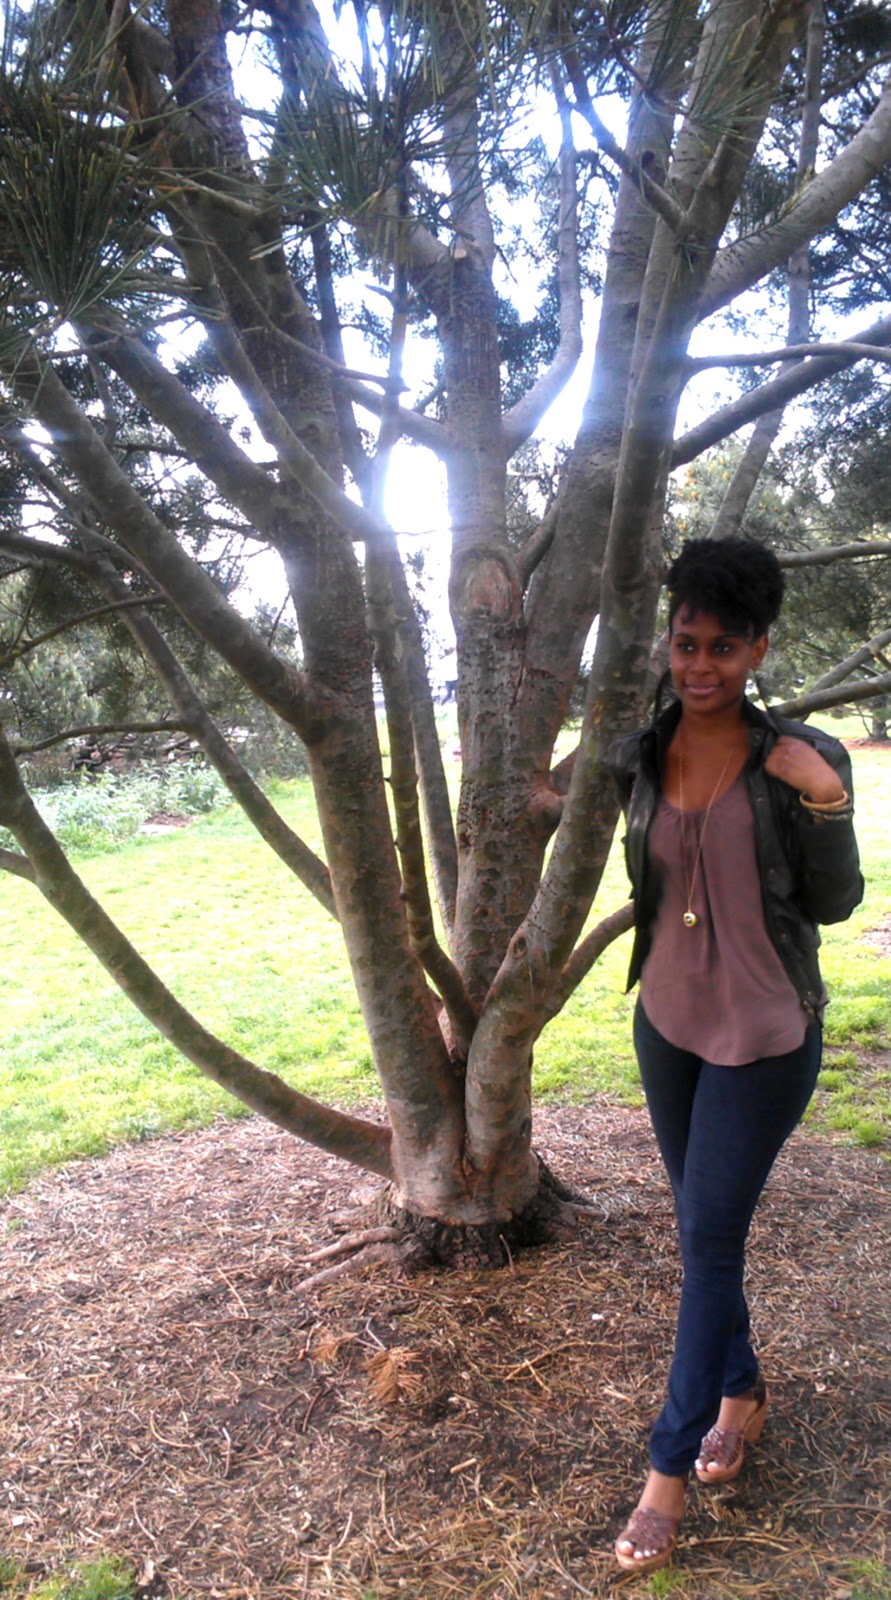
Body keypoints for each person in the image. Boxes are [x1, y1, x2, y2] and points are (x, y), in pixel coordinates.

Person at [606, 537, 863, 1576]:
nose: (700, 665)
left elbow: (835, 904)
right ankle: (741, 1390)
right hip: (667, 1024)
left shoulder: (801, 755)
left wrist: (826, 802)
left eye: (722, 646)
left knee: (708, 1241)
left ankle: (666, 1470)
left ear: (757, 649)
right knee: (701, 1231)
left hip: (763, 1034)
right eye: (686, 643)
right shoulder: (642, 751)